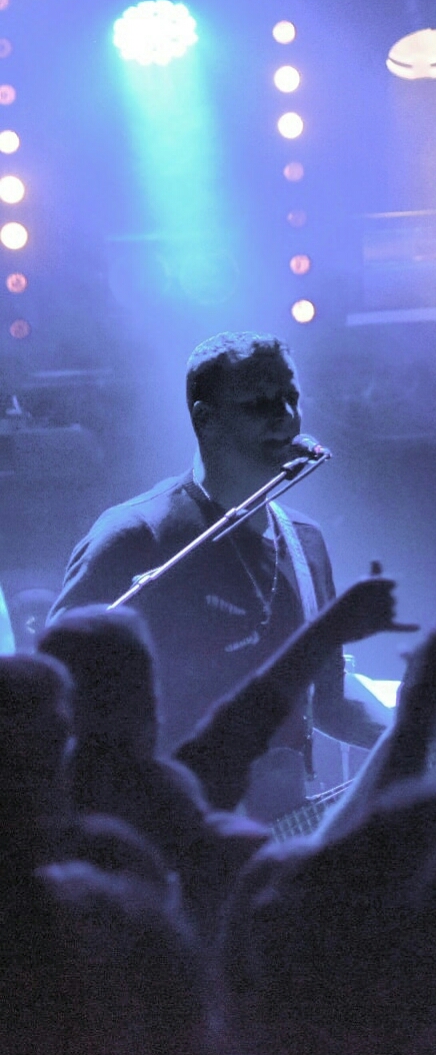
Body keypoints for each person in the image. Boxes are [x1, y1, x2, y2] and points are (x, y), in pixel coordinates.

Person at [49, 332, 385, 784]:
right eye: (260, 404)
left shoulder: (305, 541)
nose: (285, 416)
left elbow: (330, 701)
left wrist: (420, 731)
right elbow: (53, 691)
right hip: (168, 814)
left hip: (279, 817)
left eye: (291, 398)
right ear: (206, 419)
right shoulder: (138, 535)